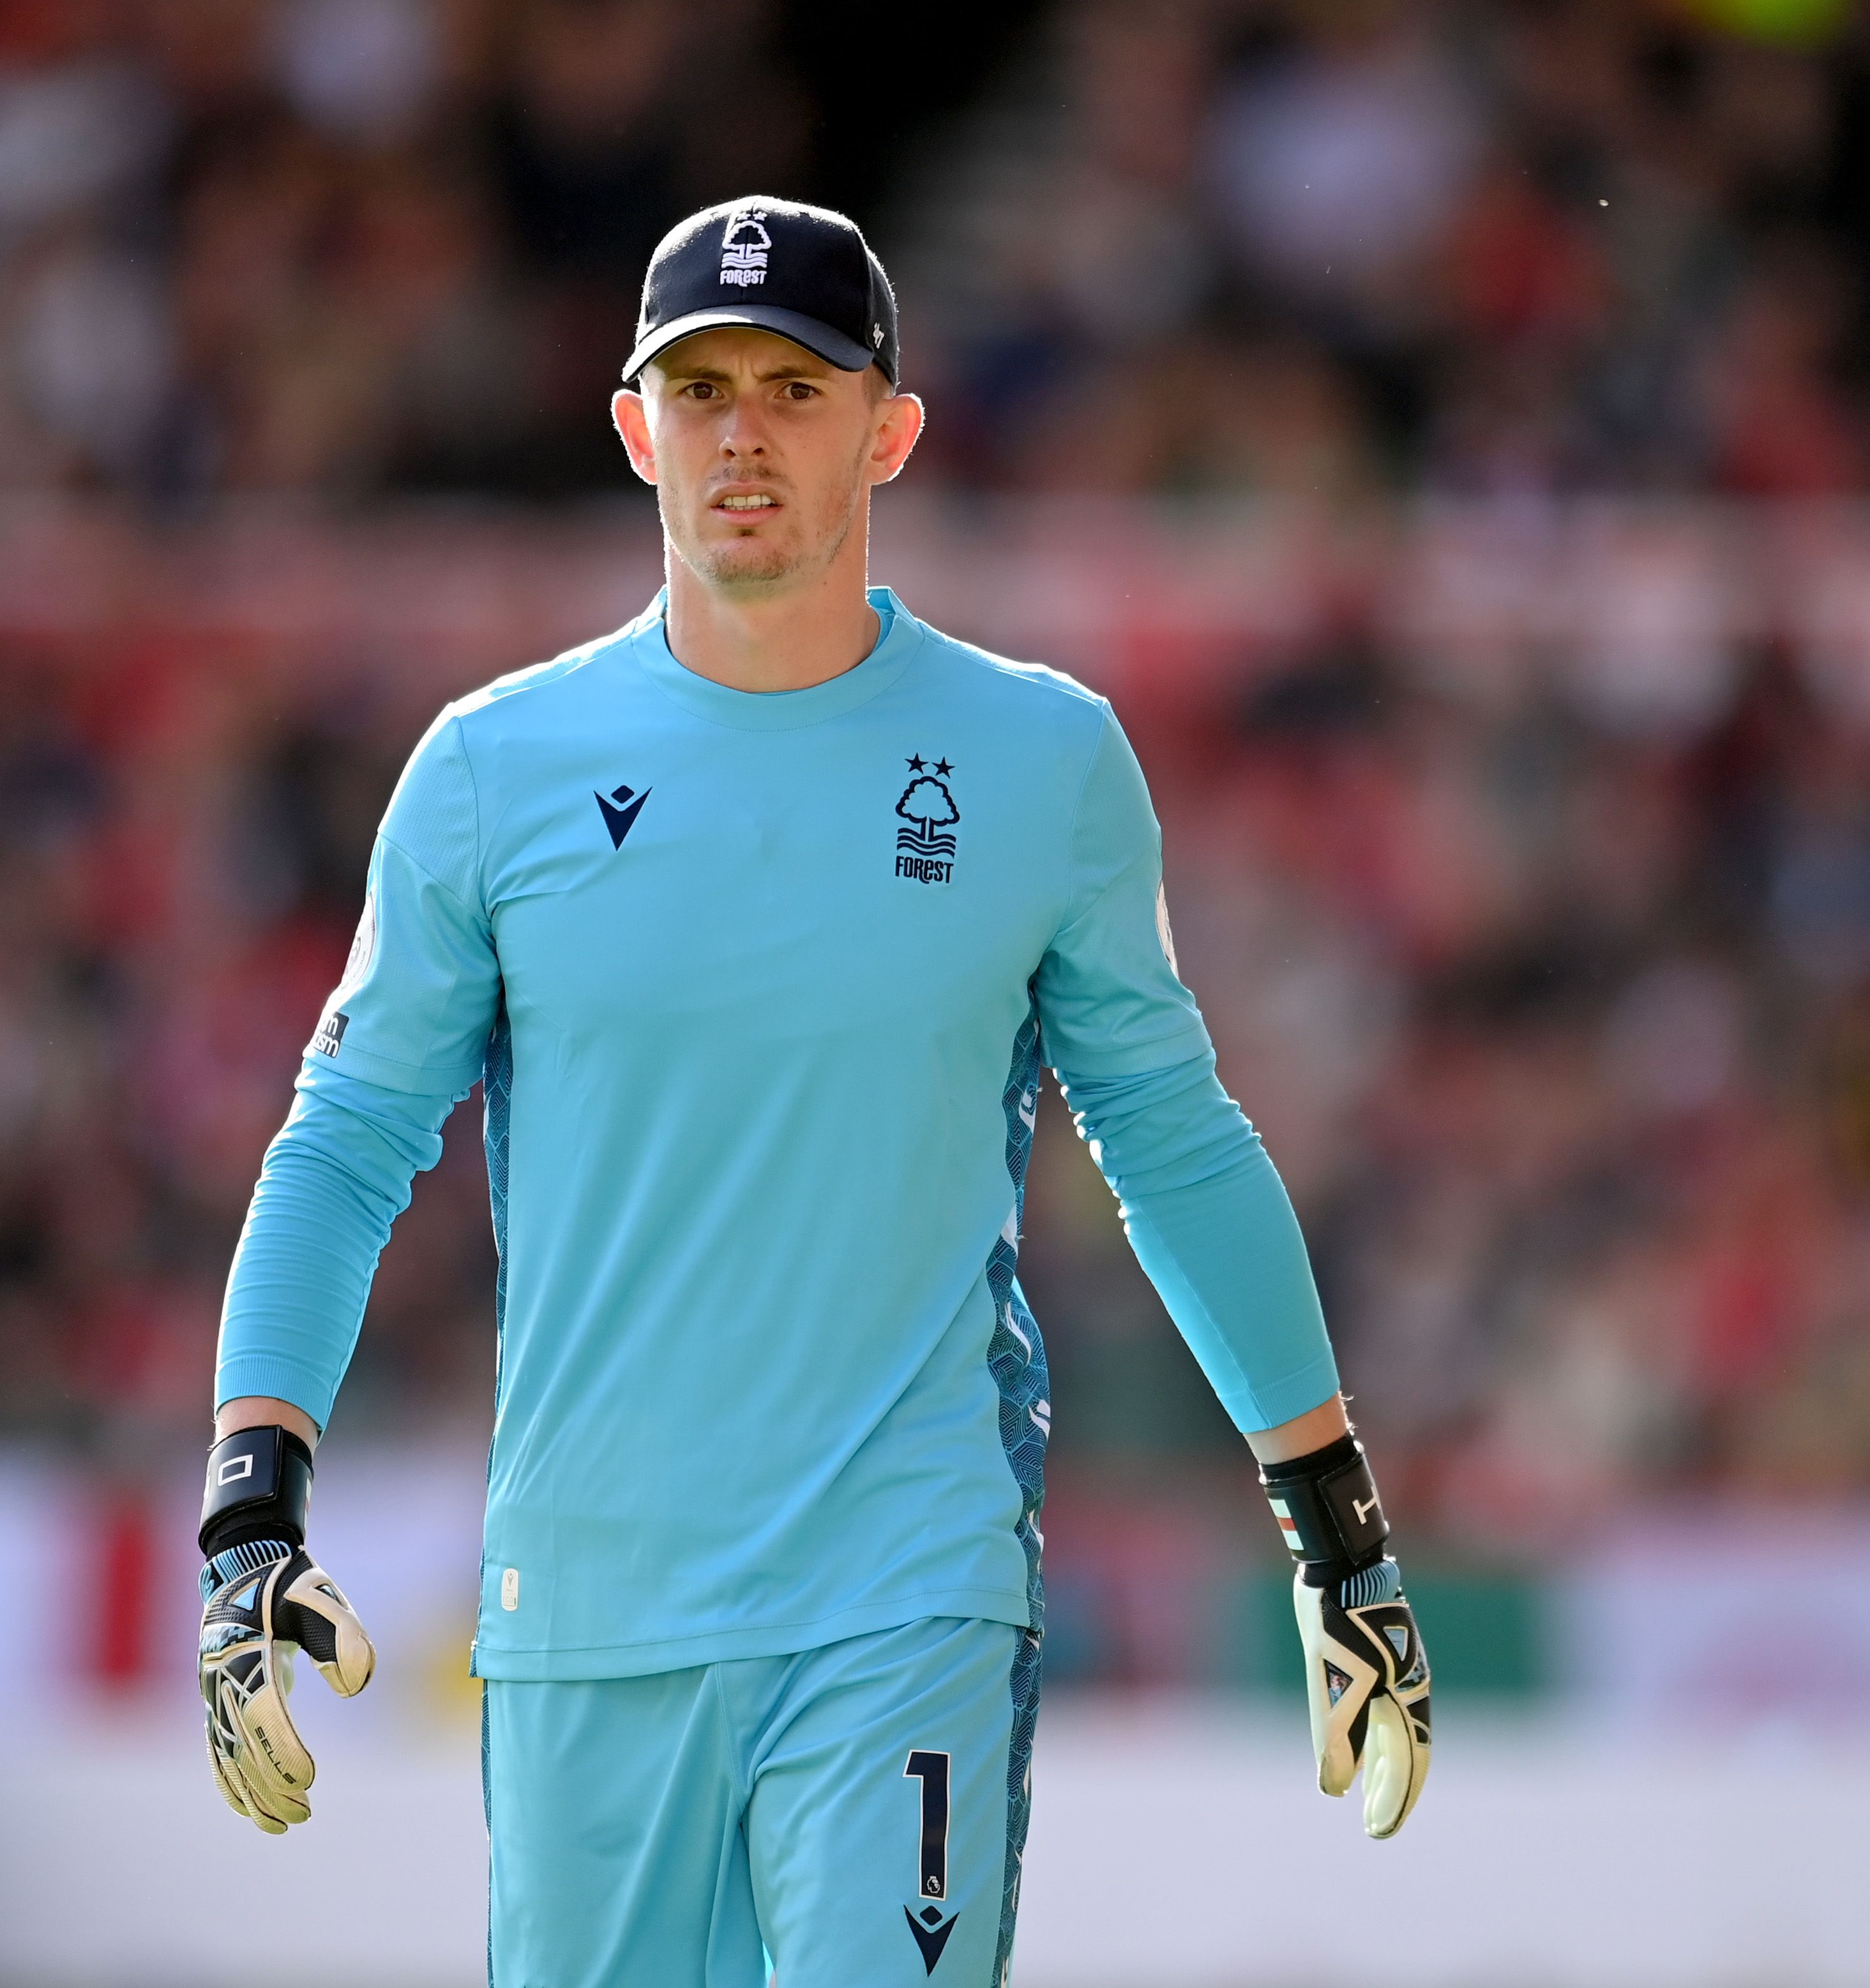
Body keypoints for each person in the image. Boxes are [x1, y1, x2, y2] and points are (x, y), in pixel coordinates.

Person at [194, 197, 1432, 1987]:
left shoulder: (1044, 761)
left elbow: (1171, 1138)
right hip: (587, 1613)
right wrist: (250, 1511)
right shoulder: (488, 775)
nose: (743, 434)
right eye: (699, 391)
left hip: (903, 1590)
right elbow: (344, 1145)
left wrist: (1335, 1526)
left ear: (892, 430)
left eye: (796, 385)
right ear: (636, 430)